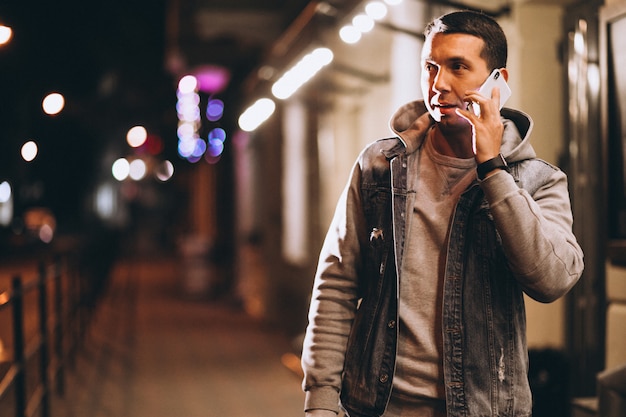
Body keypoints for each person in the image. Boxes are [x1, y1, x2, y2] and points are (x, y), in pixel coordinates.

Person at [301, 10, 584, 417]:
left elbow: (551, 280)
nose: (440, 85)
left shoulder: (538, 181)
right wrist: (321, 402)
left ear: (498, 82)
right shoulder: (381, 167)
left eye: (458, 67)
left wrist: (492, 169)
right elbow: (338, 283)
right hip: (378, 406)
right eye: (430, 67)